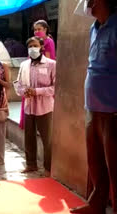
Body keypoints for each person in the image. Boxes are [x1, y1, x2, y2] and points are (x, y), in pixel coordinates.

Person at [71, 0, 117, 213]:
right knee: (95, 162)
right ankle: (96, 204)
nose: (86, 4)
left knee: (115, 166)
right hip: (93, 106)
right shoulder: (94, 28)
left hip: (112, 110)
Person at [14, 36, 56, 176]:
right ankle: (31, 164)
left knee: (47, 139)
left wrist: (37, 91)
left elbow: (55, 88)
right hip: (29, 106)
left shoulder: (51, 64)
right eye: (30, 46)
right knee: (29, 137)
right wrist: (23, 91)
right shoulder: (24, 65)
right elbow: (18, 84)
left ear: (42, 47)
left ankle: (48, 168)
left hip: (45, 108)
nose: (32, 48)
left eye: (35, 45)